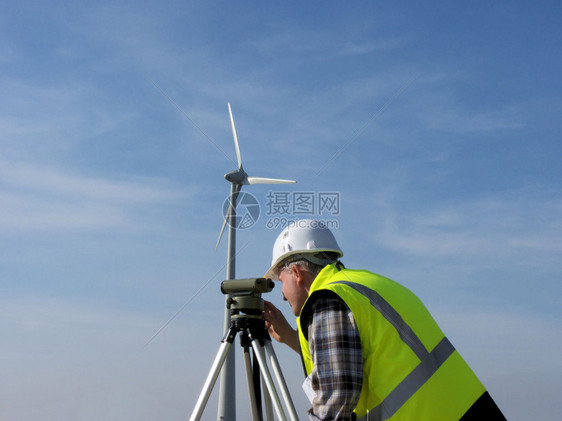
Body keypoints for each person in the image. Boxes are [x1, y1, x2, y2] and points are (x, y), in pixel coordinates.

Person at [262, 219, 505, 421]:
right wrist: (292, 339)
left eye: (281, 281)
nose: (281, 294)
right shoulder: (365, 286)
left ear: (296, 273)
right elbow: (356, 354)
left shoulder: (327, 302)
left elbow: (335, 399)